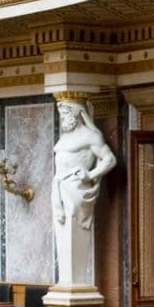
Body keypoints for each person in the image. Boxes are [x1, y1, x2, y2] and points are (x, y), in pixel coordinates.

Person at [51, 98, 116, 288]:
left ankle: (74, 282)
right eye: (60, 115)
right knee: (62, 231)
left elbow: (109, 159)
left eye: (65, 114)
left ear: (76, 114)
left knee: (73, 230)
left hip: (76, 189)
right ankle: (65, 282)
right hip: (59, 186)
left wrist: (90, 174)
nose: (62, 118)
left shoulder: (90, 136)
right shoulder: (64, 138)